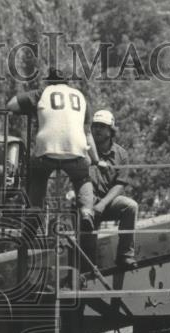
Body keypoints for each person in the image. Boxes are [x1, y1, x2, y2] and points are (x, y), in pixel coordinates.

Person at [6, 68, 105, 232]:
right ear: (67, 82)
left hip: (46, 151)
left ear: (49, 82)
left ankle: (34, 217)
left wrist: (30, 109)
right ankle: (87, 212)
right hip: (75, 150)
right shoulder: (80, 97)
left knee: (37, 176)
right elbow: (87, 133)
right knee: (82, 178)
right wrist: (96, 160)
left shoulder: (42, 93)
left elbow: (11, 104)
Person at [89, 109, 138, 269]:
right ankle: (85, 268)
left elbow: (120, 184)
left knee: (130, 206)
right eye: (95, 126)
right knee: (84, 229)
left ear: (111, 130)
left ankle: (125, 255)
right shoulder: (84, 150)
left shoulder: (121, 154)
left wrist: (102, 204)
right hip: (87, 201)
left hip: (108, 202)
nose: (97, 129)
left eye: (102, 126)